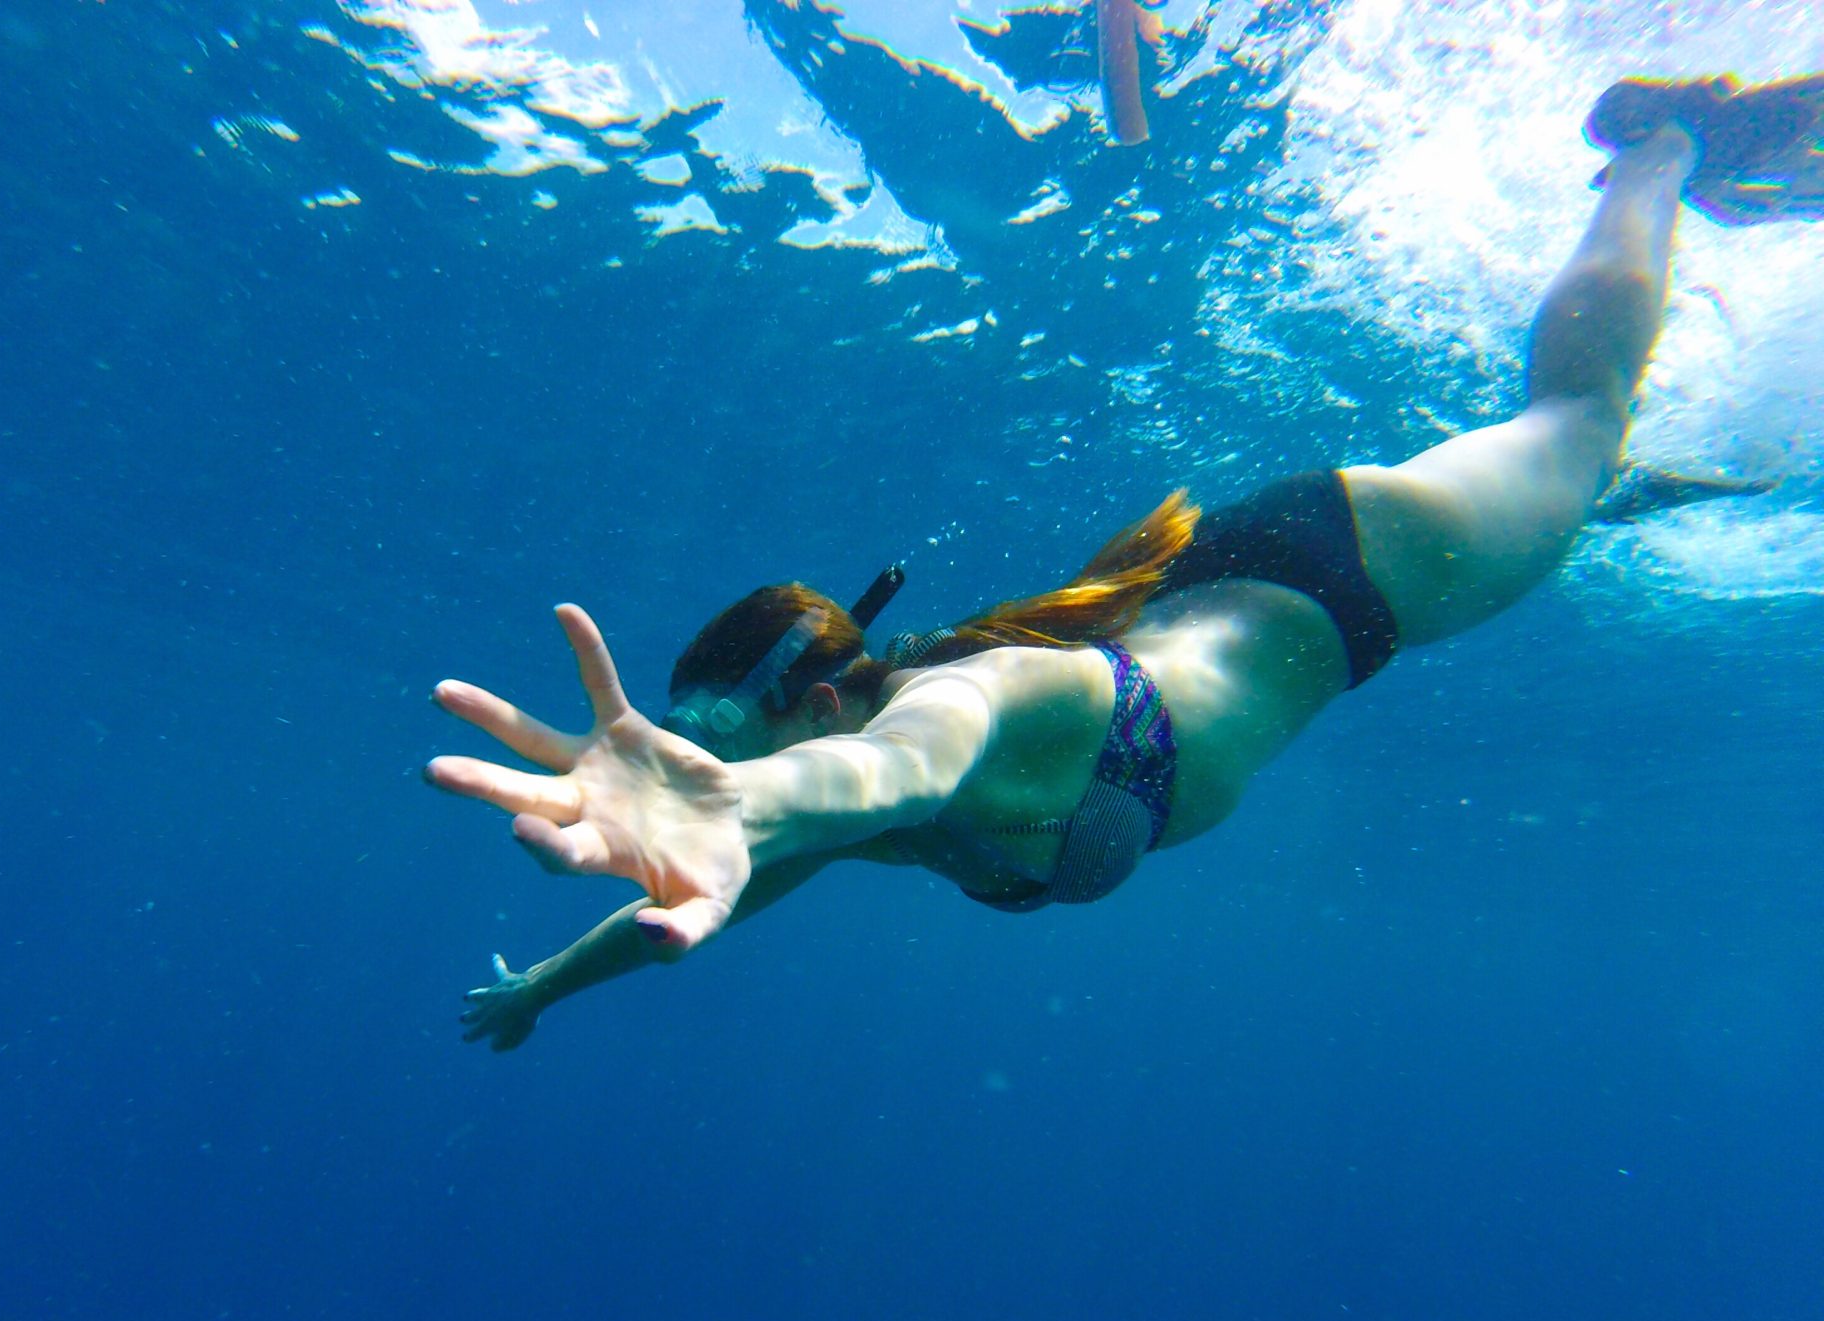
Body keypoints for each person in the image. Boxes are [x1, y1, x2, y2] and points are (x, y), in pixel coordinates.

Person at [426, 76, 1824, 1051]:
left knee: (1572, 420)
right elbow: (715, 876)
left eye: (724, 731)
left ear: (813, 694)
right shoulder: (798, 811)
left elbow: (891, 765)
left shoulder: (975, 708)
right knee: (1573, 490)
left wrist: (744, 794)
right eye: (699, 739)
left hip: (1364, 571)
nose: (714, 765)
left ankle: (1661, 149)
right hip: (1231, 581)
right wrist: (541, 990)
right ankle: (1593, 499)